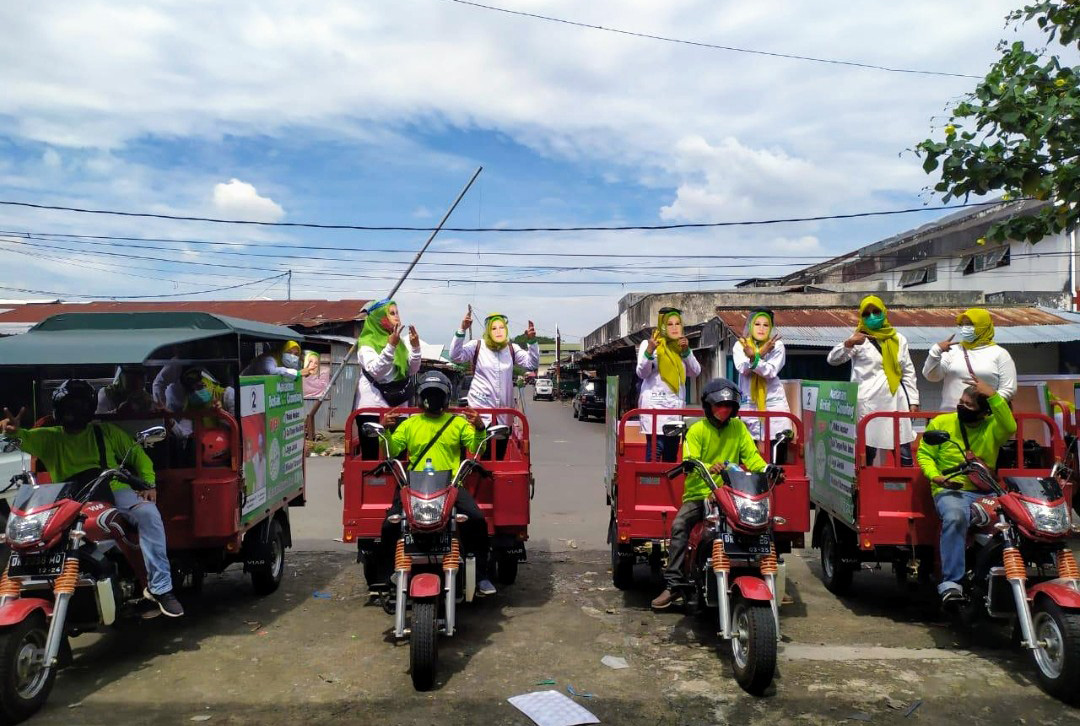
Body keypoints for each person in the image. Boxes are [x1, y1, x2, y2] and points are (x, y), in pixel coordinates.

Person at [0, 380, 183, 617]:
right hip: (69, 498)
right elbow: (20, 437)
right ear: (58, 409)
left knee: (149, 514)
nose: (72, 412)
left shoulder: (105, 432)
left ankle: (160, 588)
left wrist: (148, 485)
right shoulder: (48, 437)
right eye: (67, 406)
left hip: (114, 489)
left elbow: (139, 456)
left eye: (77, 406)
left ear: (88, 408)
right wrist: (11, 430)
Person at [651, 378, 771, 609]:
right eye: (719, 405)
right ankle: (674, 584)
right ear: (708, 406)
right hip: (700, 494)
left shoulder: (739, 429)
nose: (724, 409)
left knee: (765, 525)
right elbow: (690, 459)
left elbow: (753, 458)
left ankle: (769, 574)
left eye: (728, 405)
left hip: (732, 495)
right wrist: (706, 465)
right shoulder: (696, 430)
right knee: (679, 525)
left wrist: (768, 469)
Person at [378, 371, 497, 595]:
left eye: (437, 394)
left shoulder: (458, 423)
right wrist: (384, 429)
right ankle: (388, 575)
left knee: (477, 521)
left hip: (451, 486)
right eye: (428, 394)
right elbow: (391, 451)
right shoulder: (410, 424)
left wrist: (480, 428)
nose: (432, 399)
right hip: (413, 486)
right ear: (421, 397)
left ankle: (481, 576)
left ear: (446, 397)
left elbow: (476, 448)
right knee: (389, 525)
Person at [916, 378, 1016, 604]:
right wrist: (936, 477)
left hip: (986, 491)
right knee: (955, 517)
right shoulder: (942, 422)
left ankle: (1005, 576)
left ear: (984, 413)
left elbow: (1010, 426)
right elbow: (925, 454)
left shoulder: (993, 427)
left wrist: (993, 395)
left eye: (969, 405)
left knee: (1013, 522)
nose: (962, 406)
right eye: (961, 402)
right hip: (951, 490)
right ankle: (951, 584)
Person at [827, 295, 920, 466]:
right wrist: (849, 343)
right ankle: (864, 482)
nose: (872, 316)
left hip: (895, 401)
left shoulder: (898, 339)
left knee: (903, 452)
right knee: (867, 452)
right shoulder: (859, 339)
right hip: (868, 403)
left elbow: (908, 371)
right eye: (866, 314)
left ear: (884, 312)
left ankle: (904, 482)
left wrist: (913, 400)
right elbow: (833, 360)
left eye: (876, 312)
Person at [448, 307, 539, 456]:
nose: (498, 331)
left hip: (503, 416)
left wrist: (532, 341)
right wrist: (462, 330)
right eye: (494, 328)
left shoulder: (512, 349)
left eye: (502, 327)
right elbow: (455, 356)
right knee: (476, 458)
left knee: (498, 459)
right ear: (488, 330)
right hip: (479, 414)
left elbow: (532, 363)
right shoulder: (477, 345)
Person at [355, 299, 422, 458]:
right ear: (380, 317)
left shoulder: (400, 343)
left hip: (399, 407)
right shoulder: (367, 343)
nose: (397, 316)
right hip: (373, 408)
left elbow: (411, 370)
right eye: (391, 313)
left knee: (398, 457)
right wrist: (390, 346)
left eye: (397, 312)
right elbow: (376, 371)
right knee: (373, 458)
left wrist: (415, 347)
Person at [636, 307, 702, 462]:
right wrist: (650, 351)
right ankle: (652, 480)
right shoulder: (650, 344)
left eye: (677, 324)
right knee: (655, 454)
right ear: (663, 326)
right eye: (670, 324)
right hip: (655, 410)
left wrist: (686, 351)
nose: (674, 328)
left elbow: (695, 371)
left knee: (671, 458)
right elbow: (642, 373)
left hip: (674, 411)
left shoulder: (681, 347)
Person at [922, 308, 1017, 411]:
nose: (965, 328)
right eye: (962, 324)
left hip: (984, 416)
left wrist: (987, 408)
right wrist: (936, 351)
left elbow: (1009, 389)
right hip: (951, 414)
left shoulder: (1000, 354)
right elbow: (932, 376)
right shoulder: (952, 350)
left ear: (983, 326)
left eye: (969, 324)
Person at [732, 308, 793, 446]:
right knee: (748, 448)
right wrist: (762, 353)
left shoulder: (777, 345)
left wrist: (754, 357)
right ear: (750, 325)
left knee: (777, 446)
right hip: (749, 403)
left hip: (773, 403)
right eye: (757, 324)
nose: (761, 328)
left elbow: (770, 371)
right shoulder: (741, 345)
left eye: (766, 325)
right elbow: (743, 369)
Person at [164, 367, 236, 440]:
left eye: (200, 387)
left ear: (209, 383)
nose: (196, 392)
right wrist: (169, 419)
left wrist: (220, 413)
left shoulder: (227, 395)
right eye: (192, 390)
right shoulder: (191, 405)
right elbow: (183, 433)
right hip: (204, 445)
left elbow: (237, 428)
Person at [242, 340, 316, 379]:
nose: (292, 356)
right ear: (282, 351)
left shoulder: (287, 362)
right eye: (289, 352)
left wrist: (307, 369)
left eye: (296, 354)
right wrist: (298, 373)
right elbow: (271, 371)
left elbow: (299, 369)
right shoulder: (269, 359)